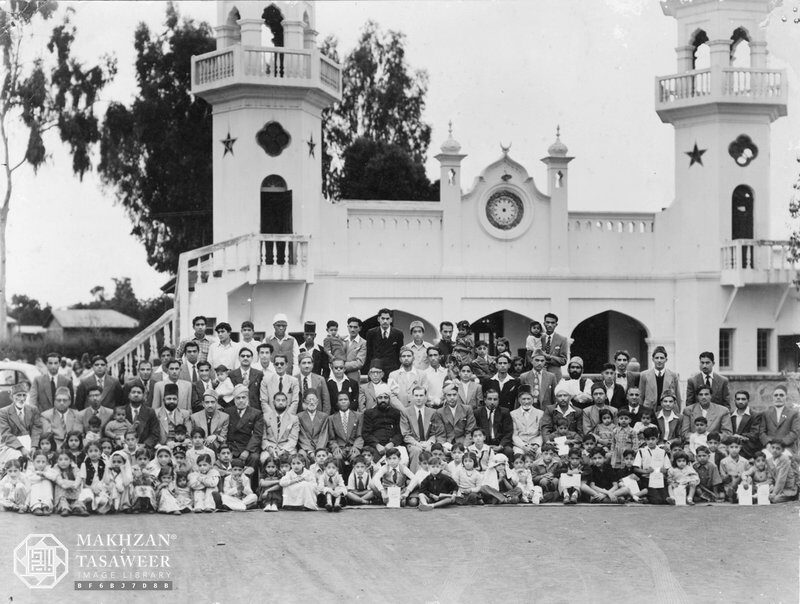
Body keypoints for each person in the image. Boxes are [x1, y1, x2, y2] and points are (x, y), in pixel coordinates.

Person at [224, 384, 263, 480]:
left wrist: (247, 450)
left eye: (243, 397)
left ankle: (251, 487)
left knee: (254, 457)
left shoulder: (256, 413)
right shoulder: (227, 412)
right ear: (234, 399)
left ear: (247, 398)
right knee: (224, 456)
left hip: (247, 446)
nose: (241, 400)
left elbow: (257, 435)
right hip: (232, 446)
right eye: (238, 398)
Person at [400, 387, 445, 471]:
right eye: (416, 395)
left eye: (421, 395)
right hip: (413, 443)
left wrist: (429, 442)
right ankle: (414, 478)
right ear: (412, 396)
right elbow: (406, 434)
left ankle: (433, 475)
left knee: (432, 449)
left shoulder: (432, 412)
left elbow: (435, 432)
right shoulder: (405, 412)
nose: (418, 398)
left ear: (425, 397)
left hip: (428, 442)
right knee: (416, 450)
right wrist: (417, 444)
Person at [0, 383, 42, 465]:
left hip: (31, 443)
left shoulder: (33, 410)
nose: (22, 398)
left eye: (24, 395)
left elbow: (36, 429)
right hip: (11, 445)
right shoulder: (4, 412)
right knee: (16, 459)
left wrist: (34, 446)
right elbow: (6, 434)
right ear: (12, 397)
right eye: (18, 395)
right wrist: (21, 448)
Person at [362, 392, 406, 464]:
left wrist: (392, 443)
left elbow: (400, 433)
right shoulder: (369, 413)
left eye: (386, 397)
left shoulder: (396, 413)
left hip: (393, 445)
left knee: (402, 461)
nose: (383, 400)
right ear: (376, 399)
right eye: (380, 397)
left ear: (389, 399)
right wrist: (377, 445)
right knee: (374, 464)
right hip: (375, 446)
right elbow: (366, 433)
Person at [328, 393, 363, 476]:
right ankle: (341, 481)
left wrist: (356, 446)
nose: (343, 402)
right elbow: (331, 438)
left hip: (353, 446)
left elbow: (360, 435)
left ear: (349, 402)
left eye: (345, 399)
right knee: (337, 458)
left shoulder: (358, 416)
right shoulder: (331, 418)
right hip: (340, 447)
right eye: (340, 400)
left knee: (355, 456)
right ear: (337, 403)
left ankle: (355, 481)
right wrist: (335, 447)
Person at [633, 427, 671, 504]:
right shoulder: (641, 451)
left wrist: (665, 471)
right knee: (657, 500)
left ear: (657, 439)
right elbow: (635, 468)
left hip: (660, 479)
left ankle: (647, 496)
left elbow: (668, 468)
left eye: (653, 439)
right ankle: (645, 496)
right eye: (648, 439)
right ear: (645, 440)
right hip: (647, 479)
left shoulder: (662, 452)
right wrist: (645, 471)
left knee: (665, 499)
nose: (650, 441)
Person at [473, 389, 514, 459]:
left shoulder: (505, 412)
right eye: (489, 399)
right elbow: (476, 431)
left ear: (498, 400)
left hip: (500, 443)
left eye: (495, 399)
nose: (492, 402)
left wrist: (500, 446)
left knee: (509, 451)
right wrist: (484, 446)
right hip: (484, 443)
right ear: (485, 400)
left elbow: (508, 433)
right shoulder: (477, 413)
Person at [637, 346, 681, 410]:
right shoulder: (644, 375)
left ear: (666, 360)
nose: (659, 360)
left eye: (662, 358)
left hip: (668, 409)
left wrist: (677, 411)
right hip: (649, 410)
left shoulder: (673, 375)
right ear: (653, 359)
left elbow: (677, 395)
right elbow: (641, 396)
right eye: (657, 358)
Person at [364, 308, 404, 378]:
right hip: (376, 369)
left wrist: (398, 369)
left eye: (387, 318)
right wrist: (369, 369)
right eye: (383, 318)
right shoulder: (371, 333)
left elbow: (399, 353)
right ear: (378, 319)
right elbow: (369, 354)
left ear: (391, 320)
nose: (385, 321)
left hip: (392, 370)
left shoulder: (398, 333)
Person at [759, 385, 799, 454]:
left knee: (783, 457)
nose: (778, 397)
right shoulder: (766, 413)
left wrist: (782, 443)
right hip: (770, 447)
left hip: (787, 447)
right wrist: (768, 443)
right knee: (765, 456)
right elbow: (762, 432)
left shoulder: (793, 414)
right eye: (776, 395)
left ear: (786, 397)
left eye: (781, 395)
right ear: (773, 398)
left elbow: (795, 432)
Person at [261, 391, 299, 462]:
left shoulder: (293, 419)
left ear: (287, 403)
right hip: (270, 447)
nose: (281, 402)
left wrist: (283, 450)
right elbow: (263, 437)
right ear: (273, 402)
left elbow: (293, 439)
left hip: (287, 448)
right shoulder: (265, 417)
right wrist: (269, 448)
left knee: (293, 458)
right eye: (278, 400)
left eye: (283, 400)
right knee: (263, 458)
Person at [438, 384, 477, 451]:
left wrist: (464, 447)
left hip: (464, 443)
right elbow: (440, 434)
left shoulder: (467, 409)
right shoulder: (440, 412)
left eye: (454, 395)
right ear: (445, 396)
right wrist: (445, 447)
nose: (452, 397)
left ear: (458, 395)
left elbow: (470, 431)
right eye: (449, 395)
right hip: (447, 444)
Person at [389, 346, 428, 410]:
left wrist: (414, 409)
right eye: (403, 356)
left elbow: (425, 394)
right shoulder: (393, 375)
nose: (406, 358)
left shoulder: (422, 374)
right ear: (400, 359)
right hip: (399, 411)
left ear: (413, 358)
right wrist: (403, 410)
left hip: (417, 410)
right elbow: (392, 396)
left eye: (409, 356)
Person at [510, 386, 544, 456]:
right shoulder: (513, 414)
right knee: (518, 455)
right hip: (520, 444)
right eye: (523, 399)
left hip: (535, 444)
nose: (526, 402)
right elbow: (514, 435)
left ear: (532, 399)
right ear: (519, 400)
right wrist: (523, 446)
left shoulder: (540, 413)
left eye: (529, 399)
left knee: (540, 454)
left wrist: (537, 444)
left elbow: (541, 433)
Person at [729, 390, 761, 459]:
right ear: (734, 401)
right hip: (731, 447)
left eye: (743, 399)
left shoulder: (754, 415)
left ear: (748, 400)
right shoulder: (730, 415)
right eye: (738, 399)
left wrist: (740, 436)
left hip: (747, 448)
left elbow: (754, 434)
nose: (740, 401)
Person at [297, 392, 329, 459]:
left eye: (313, 400)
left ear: (317, 402)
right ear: (305, 402)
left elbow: (324, 435)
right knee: (302, 455)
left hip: (320, 447)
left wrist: (318, 451)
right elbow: (302, 436)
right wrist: (310, 451)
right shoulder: (299, 416)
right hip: (305, 447)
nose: (311, 402)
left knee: (326, 456)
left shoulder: (324, 416)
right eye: (309, 400)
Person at [541, 313, 568, 380]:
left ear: (556, 324)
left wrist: (550, 358)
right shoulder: (539, 338)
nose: (550, 325)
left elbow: (563, 360)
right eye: (547, 322)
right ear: (544, 323)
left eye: (552, 323)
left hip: (555, 375)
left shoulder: (562, 339)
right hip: (540, 374)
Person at [343, 317, 366, 384]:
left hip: (353, 375)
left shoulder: (363, 343)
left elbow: (359, 363)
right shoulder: (342, 340)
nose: (352, 329)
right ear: (347, 327)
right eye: (350, 327)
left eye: (355, 327)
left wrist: (342, 365)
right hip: (339, 374)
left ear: (360, 328)